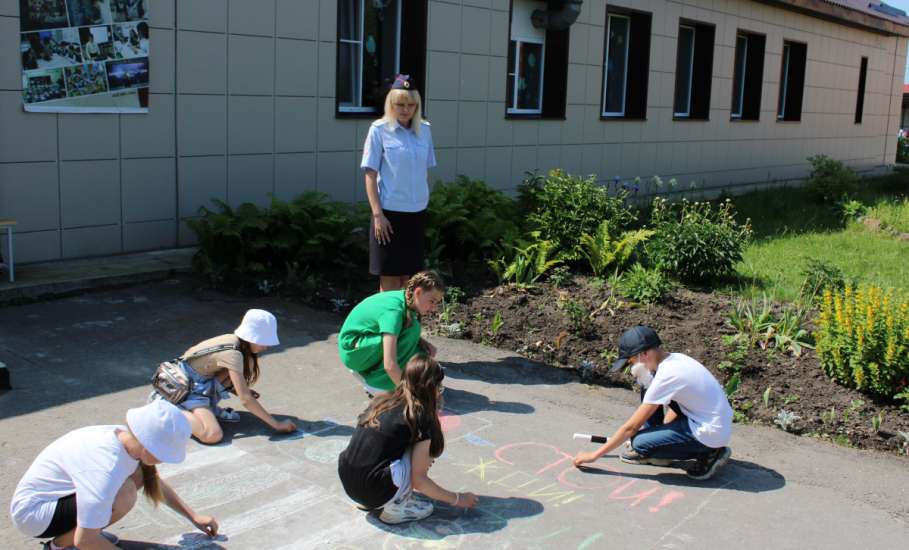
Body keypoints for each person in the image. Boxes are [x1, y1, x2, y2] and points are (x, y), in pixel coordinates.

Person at [10, 400, 219, 550]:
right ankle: (59, 546)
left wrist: (193, 516)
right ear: (149, 446)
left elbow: (151, 479)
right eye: (165, 454)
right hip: (35, 515)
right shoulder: (105, 468)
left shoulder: (125, 438)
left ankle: (82, 530)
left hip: (53, 497)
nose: (164, 459)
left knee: (136, 478)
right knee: (125, 494)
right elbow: (86, 541)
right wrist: (89, 537)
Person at [573, 326, 734, 480]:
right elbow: (681, 402)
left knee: (640, 443)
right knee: (647, 383)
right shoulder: (675, 360)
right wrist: (664, 432)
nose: (631, 367)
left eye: (631, 361)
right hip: (710, 420)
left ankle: (709, 453)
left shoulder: (667, 376)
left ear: (644, 354)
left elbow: (630, 428)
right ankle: (658, 445)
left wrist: (593, 456)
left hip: (710, 433)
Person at [338, 354, 478, 524]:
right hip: (372, 490)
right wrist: (457, 498)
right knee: (421, 455)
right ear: (433, 388)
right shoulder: (421, 417)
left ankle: (378, 498)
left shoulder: (382, 400)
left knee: (395, 448)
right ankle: (396, 508)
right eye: (439, 387)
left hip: (350, 483)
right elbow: (418, 480)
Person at [155, 309, 297, 444]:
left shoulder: (233, 341)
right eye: (264, 341)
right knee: (212, 435)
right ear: (252, 337)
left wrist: (238, 389)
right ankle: (167, 409)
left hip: (195, 381)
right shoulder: (233, 354)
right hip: (187, 388)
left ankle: (205, 409)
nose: (266, 347)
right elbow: (245, 399)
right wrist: (276, 424)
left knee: (239, 372)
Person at [361, 74, 437, 292]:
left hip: (415, 214)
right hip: (389, 216)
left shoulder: (425, 130)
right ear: (391, 104)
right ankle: (388, 326)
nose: (406, 109)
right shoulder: (379, 130)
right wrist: (378, 215)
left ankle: (406, 325)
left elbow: (424, 171)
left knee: (410, 281)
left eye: (411, 105)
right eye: (400, 104)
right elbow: (370, 174)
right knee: (390, 279)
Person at [338, 271, 444, 395]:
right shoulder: (394, 311)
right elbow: (390, 364)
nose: (434, 308)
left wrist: (422, 342)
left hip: (365, 343)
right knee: (407, 337)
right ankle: (378, 385)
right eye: (432, 301)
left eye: (436, 303)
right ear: (418, 292)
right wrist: (410, 394)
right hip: (353, 351)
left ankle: (391, 379)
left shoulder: (407, 299)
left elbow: (403, 329)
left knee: (418, 344)